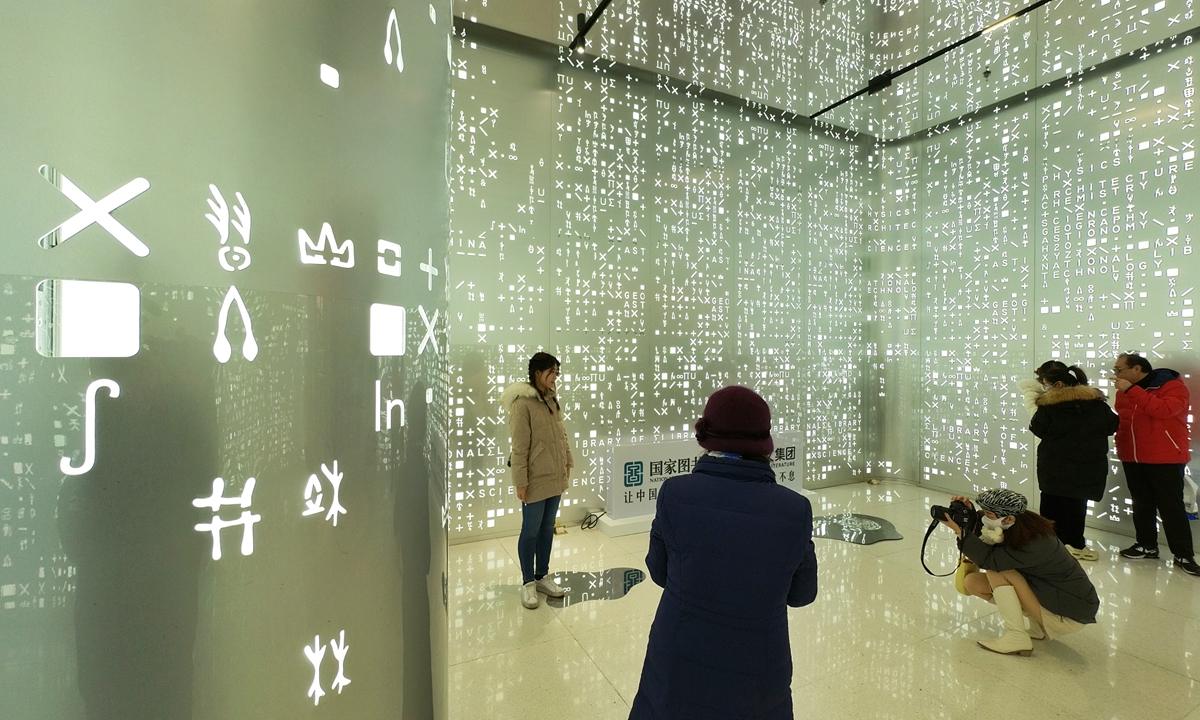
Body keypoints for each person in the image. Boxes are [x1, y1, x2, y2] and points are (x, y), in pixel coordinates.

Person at [629, 386, 817, 720]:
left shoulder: (674, 493)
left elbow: (659, 572)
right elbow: (802, 594)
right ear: (764, 442)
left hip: (677, 659)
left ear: (708, 437)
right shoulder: (795, 510)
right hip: (760, 670)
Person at [939, 488, 1098, 657]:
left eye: (989, 514)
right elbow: (989, 537)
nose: (985, 518)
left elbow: (990, 560)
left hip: (1071, 610)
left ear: (1008, 518)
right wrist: (968, 513)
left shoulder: (1036, 541)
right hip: (1048, 591)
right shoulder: (1017, 527)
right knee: (972, 582)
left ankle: (1016, 636)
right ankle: (1037, 626)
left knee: (997, 572)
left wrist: (959, 532)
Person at [1111, 353, 1200, 576]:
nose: (1116, 374)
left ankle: (1184, 554)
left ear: (1137, 369)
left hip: (1165, 456)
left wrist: (1132, 391)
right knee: (1141, 503)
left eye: (1119, 369)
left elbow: (1163, 411)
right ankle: (1146, 545)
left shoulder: (1172, 386)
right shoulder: (1124, 390)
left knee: (1171, 506)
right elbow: (1123, 419)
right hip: (1132, 455)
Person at [500, 352, 574, 609]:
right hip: (534, 478)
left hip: (554, 476)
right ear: (537, 373)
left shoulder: (551, 399)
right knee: (530, 530)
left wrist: (567, 462)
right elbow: (519, 447)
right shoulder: (523, 404)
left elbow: (560, 435)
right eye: (551, 372)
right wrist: (520, 481)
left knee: (546, 529)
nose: (555, 378)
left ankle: (542, 576)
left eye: (557, 373)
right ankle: (528, 582)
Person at [1028, 364, 1119, 561]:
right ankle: (1076, 543)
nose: (1046, 389)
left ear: (1058, 384)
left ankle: (1052, 545)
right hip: (1088, 465)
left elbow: (1037, 429)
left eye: (1046, 385)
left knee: (1052, 505)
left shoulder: (1049, 406)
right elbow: (1112, 426)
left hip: (1054, 465)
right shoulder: (1097, 404)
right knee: (1077, 505)